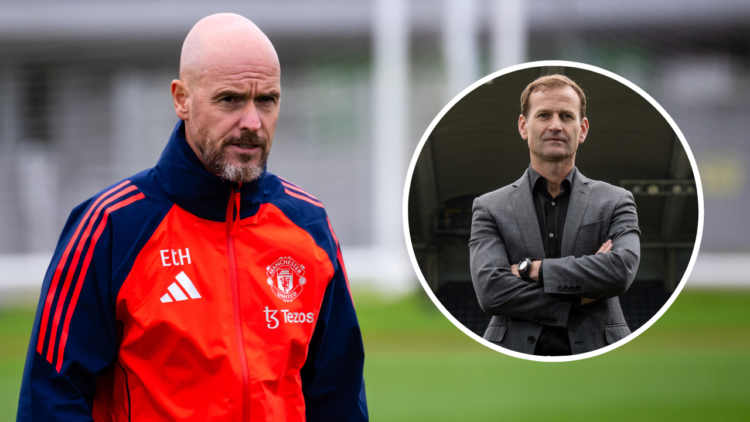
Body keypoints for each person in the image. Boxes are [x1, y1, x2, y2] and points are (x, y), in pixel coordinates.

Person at [17, 13, 367, 421]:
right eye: (230, 100)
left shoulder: (309, 225)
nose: (252, 122)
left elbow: (338, 397)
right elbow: (53, 399)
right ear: (182, 99)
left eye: (267, 100)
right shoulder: (111, 226)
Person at [469, 74, 641, 356]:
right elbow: (491, 291)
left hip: (603, 351)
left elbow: (620, 271)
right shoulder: (489, 207)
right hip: (510, 355)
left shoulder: (616, 200)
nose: (556, 125)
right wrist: (580, 297)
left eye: (566, 116)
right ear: (524, 126)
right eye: (544, 115)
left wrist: (532, 270)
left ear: (582, 129)